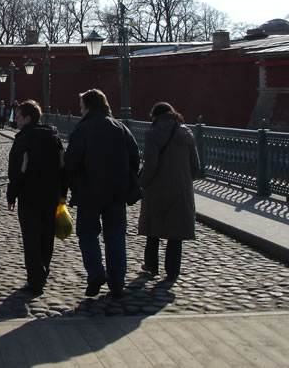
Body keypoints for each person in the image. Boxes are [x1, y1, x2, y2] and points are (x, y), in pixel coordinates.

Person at [65, 88, 140, 297]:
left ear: (88, 107)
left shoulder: (82, 129)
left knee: (87, 234)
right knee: (115, 237)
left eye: (81, 107)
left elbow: (71, 162)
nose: (80, 111)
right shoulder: (120, 127)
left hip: (88, 192)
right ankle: (117, 285)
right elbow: (135, 157)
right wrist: (126, 180)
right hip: (117, 193)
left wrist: (71, 186)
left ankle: (96, 272)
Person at [7, 100, 66, 295]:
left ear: (27, 118)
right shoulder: (53, 136)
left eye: (18, 117)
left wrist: (11, 196)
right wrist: (63, 194)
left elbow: (16, 172)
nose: (15, 120)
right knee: (47, 236)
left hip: (29, 196)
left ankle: (35, 279)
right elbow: (63, 167)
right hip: (51, 195)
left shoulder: (23, 140)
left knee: (31, 239)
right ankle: (44, 269)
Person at [138, 102, 200, 283]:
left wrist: (142, 183)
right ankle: (172, 270)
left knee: (153, 228)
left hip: (156, 188)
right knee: (176, 232)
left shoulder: (152, 133)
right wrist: (184, 180)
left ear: (155, 116)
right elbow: (196, 166)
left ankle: (151, 265)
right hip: (181, 189)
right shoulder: (186, 133)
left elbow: (150, 165)